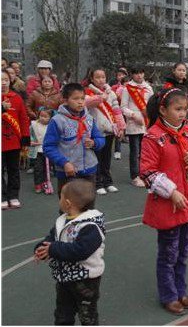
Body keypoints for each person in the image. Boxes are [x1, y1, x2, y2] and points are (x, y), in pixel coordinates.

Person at [139, 87, 188, 315]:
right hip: (169, 204)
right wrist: (171, 192)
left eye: (185, 109)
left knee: (183, 250)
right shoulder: (152, 137)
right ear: (163, 110)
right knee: (168, 253)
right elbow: (147, 172)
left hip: (187, 201)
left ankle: (180, 290)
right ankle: (168, 295)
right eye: (178, 109)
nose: (183, 114)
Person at [33, 179, 105, 325]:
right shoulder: (62, 220)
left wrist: (53, 249)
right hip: (64, 279)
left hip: (85, 280)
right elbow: (52, 238)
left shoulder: (91, 226)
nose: (59, 200)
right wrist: (42, 248)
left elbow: (81, 251)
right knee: (62, 314)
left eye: (60, 197)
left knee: (87, 316)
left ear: (67, 203)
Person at [43, 83, 105, 198]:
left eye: (82, 98)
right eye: (75, 99)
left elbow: (100, 138)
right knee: (69, 207)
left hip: (89, 171)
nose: (80, 102)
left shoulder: (89, 119)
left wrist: (94, 143)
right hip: (68, 172)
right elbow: (48, 147)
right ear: (65, 100)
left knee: (88, 207)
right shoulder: (57, 121)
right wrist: (64, 163)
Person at [84, 69, 126, 195]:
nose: (101, 80)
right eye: (97, 77)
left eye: (103, 77)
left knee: (107, 158)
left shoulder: (111, 93)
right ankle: (97, 183)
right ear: (91, 79)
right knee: (96, 158)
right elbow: (87, 103)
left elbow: (117, 111)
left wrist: (121, 126)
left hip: (109, 130)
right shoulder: (87, 92)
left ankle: (108, 182)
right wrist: (101, 97)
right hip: (95, 132)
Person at [2, 71, 30, 209]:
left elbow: (24, 118)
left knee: (14, 170)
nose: (3, 82)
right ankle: (2, 196)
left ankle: (13, 196)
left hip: (13, 141)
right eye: (0, 80)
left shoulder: (16, 98)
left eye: (5, 79)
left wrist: (25, 137)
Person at [121, 67, 154, 187]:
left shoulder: (148, 88)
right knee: (135, 151)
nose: (139, 76)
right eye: (136, 73)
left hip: (146, 123)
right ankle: (135, 176)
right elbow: (123, 107)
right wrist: (133, 115)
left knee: (145, 151)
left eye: (141, 72)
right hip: (133, 123)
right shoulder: (127, 88)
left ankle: (144, 173)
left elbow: (152, 105)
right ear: (132, 75)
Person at [30, 108, 54, 194]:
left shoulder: (52, 126)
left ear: (50, 118)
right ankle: (38, 184)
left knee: (46, 168)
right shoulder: (34, 125)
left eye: (45, 116)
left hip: (48, 150)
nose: (42, 118)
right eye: (41, 116)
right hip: (38, 151)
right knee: (38, 168)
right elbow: (30, 135)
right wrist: (32, 142)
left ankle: (45, 183)